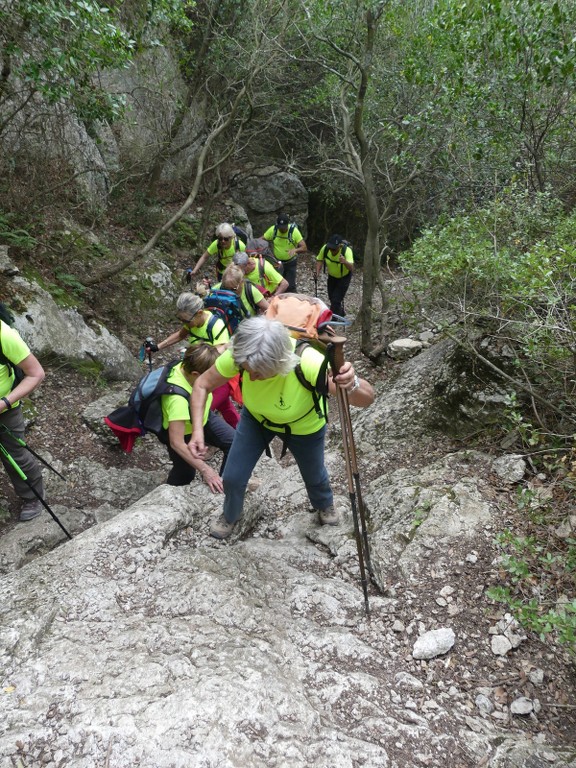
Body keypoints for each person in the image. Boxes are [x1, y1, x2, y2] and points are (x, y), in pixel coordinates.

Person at [189, 316, 374, 539]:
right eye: (247, 371)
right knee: (233, 477)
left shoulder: (308, 363)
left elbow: (366, 399)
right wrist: (198, 430)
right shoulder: (241, 354)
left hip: (304, 426)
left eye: (259, 372)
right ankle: (230, 514)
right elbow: (202, 384)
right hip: (256, 420)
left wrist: (351, 383)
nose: (252, 378)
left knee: (314, 475)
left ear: (280, 362)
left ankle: (323, 504)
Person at [159, 344, 235, 491]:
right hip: (184, 432)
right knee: (185, 473)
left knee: (233, 442)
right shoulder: (177, 400)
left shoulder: (194, 361)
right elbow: (176, 443)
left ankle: (224, 487)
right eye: (210, 376)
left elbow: (224, 347)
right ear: (195, 374)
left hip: (204, 418)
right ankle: (168, 498)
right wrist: (207, 471)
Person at [0, 309, 46, 521]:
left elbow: (36, 373)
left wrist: (4, 403)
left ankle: (33, 496)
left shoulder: (5, 335)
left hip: (5, 411)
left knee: (15, 455)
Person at [150, 293, 230, 354]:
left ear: (199, 313)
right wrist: (158, 347)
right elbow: (180, 335)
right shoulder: (192, 322)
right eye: (180, 319)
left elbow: (217, 356)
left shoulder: (217, 327)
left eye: (185, 321)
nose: (183, 323)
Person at [262, 213, 307, 293]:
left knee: (290, 285)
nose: (282, 229)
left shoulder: (294, 232)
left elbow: (304, 247)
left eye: (284, 227)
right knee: (277, 284)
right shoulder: (273, 230)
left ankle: (292, 301)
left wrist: (295, 250)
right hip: (277, 262)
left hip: (291, 262)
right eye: (280, 227)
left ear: (287, 225)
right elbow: (261, 239)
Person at [315, 234, 355, 317]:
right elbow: (319, 259)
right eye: (330, 248)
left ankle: (333, 319)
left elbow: (352, 268)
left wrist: (345, 262)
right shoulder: (325, 248)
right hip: (332, 276)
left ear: (340, 246)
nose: (331, 250)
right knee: (331, 297)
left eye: (334, 249)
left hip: (344, 277)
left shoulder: (347, 251)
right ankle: (341, 313)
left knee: (336, 300)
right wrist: (317, 272)